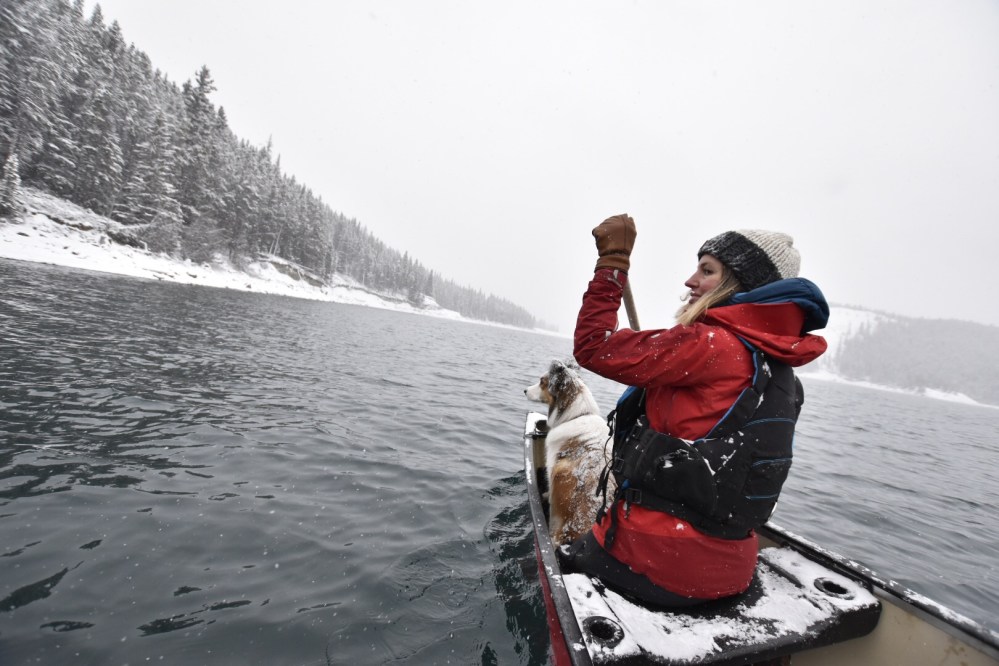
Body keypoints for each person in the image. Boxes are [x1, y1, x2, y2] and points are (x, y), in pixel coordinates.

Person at [565, 214, 829, 608]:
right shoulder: (780, 374)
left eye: (707, 271)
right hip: (729, 571)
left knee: (552, 560)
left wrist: (612, 265)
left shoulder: (709, 345)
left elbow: (594, 346)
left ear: (739, 285)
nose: (691, 281)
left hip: (656, 559)